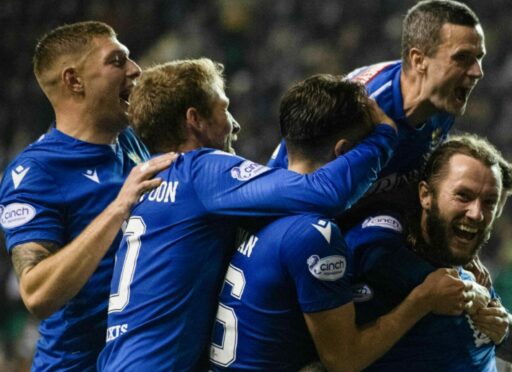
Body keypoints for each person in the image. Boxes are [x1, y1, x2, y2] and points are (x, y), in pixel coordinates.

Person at [97, 60, 400, 371]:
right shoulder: (200, 169)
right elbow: (322, 191)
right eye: (224, 109)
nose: (235, 123)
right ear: (194, 119)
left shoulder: (150, 180)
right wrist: (385, 137)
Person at [209, 75, 480, 372]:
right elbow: (345, 361)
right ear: (344, 153)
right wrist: (423, 300)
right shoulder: (314, 235)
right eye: (365, 153)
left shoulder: (253, 205)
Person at [346, 134, 512, 371]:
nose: (477, 214)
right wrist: (421, 301)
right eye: (463, 196)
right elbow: (333, 359)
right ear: (425, 195)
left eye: (489, 203)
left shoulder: (471, 281)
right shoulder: (377, 259)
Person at [0, 21, 177, 371]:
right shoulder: (35, 173)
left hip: (142, 359)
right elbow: (36, 294)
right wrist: (118, 209)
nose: (135, 69)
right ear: (74, 81)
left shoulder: (132, 140)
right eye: (116, 61)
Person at [269, 0, 485, 197]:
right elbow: (292, 186)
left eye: (478, 58)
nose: (477, 72)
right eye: (462, 58)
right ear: (419, 61)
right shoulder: (358, 109)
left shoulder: (444, 102)